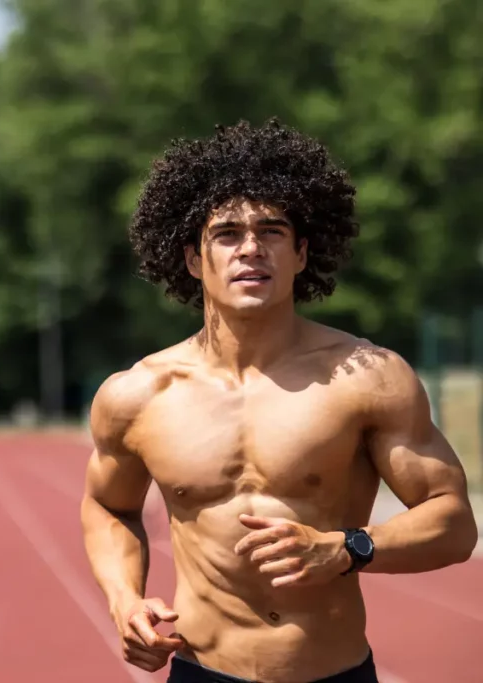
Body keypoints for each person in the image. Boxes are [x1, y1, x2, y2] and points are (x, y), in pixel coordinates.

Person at [80, 118, 478, 683]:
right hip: (202, 672)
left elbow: (455, 523)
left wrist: (350, 548)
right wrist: (125, 600)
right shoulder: (139, 395)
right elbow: (108, 507)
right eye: (226, 234)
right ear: (194, 260)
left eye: (271, 232)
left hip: (332, 675)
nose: (250, 249)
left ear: (300, 254)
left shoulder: (367, 378)